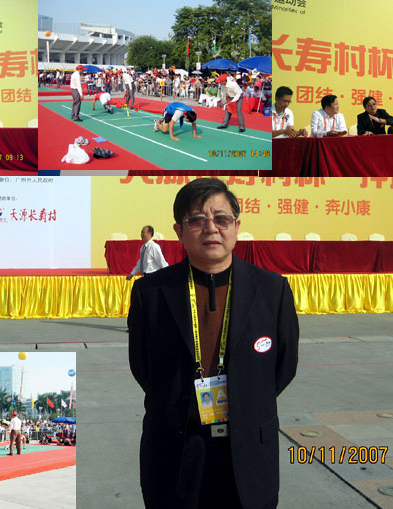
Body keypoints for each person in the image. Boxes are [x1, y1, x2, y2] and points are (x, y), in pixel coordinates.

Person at [128, 178, 299, 509]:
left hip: (248, 448)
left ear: (236, 226)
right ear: (179, 231)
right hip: (175, 450)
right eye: (197, 220)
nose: (211, 229)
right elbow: (143, 368)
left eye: (221, 219)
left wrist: (245, 401)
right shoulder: (151, 293)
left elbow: (283, 367)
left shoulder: (272, 290)